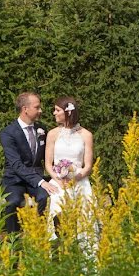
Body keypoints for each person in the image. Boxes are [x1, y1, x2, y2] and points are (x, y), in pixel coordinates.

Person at [44, 96, 97, 256]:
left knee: (84, 220)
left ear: (68, 113)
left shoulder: (86, 135)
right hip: (58, 182)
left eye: (57, 110)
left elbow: (87, 165)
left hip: (79, 181)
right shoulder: (53, 134)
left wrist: (74, 179)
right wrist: (59, 179)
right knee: (57, 213)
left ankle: (85, 259)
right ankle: (57, 255)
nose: (54, 113)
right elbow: (48, 164)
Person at [0, 92, 59, 234]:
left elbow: (49, 157)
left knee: (44, 197)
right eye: (37, 107)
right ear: (25, 109)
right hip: (15, 180)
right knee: (12, 202)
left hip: (36, 179)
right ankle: (12, 242)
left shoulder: (42, 129)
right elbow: (16, 164)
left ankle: (39, 237)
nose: (41, 110)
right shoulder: (8, 133)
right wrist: (40, 182)